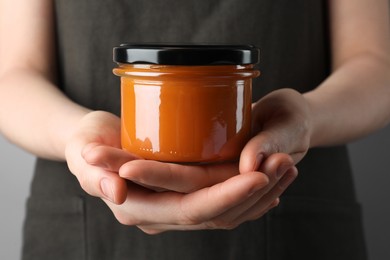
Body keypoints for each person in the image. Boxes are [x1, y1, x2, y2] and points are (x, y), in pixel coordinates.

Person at [0, 0, 389, 259]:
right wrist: (76, 138)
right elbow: (12, 74)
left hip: (294, 220)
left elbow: (377, 64)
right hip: (83, 231)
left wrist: (306, 116)